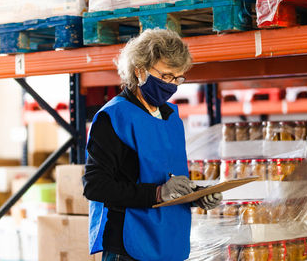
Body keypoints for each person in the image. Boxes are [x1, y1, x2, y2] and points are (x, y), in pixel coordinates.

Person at [83, 28, 223, 261]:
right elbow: (95, 186)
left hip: (169, 240)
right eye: (166, 76)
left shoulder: (171, 118)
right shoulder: (114, 117)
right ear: (139, 71)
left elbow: (168, 178)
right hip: (130, 244)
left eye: (178, 78)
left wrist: (197, 195)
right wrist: (158, 193)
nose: (172, 85)